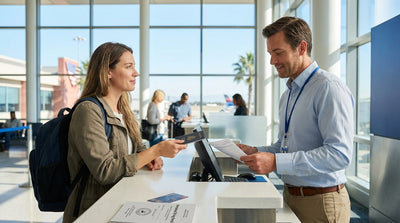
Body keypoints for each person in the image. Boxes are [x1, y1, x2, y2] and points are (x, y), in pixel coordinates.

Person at [237, 17, 354, 222]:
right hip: (290, 196)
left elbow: (339, 154)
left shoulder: (328, 88)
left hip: (323, 202)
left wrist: (275, 162)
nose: (272, 61)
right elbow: (285, 147)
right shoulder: (288, 93)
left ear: (301, 48)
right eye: (270, 53)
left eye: (278, 52)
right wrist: (257, 151)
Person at [63, 42, 187, 223]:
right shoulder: (89, 110)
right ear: (108, 71)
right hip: (94, 210)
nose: (135, 73)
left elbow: (134, 150)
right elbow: (105, 171)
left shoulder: (123, 109)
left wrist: (148, 159)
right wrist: (155, 151)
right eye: (129, 67)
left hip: (120, 204)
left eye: (134, 67)